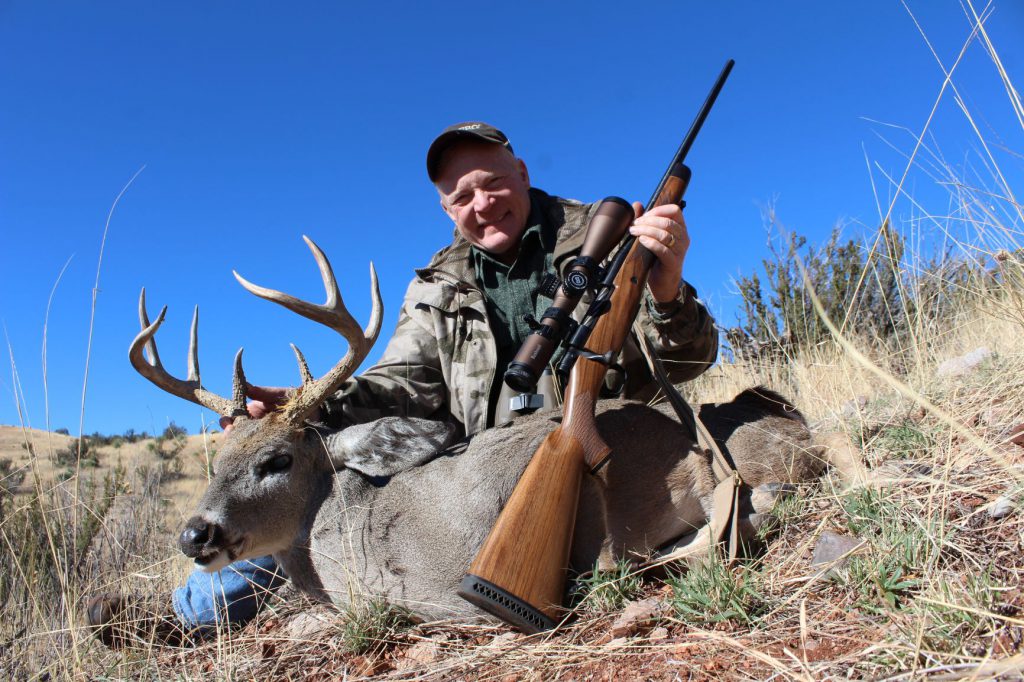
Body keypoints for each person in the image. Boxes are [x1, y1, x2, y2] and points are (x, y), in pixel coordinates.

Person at [87, 122, 718, 646]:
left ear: (522, 173)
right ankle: (185, 614)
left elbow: (691, 361)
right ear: (445, 207)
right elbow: (398, 386)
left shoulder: (609, 244)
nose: (482, 204)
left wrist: (667, 290)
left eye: (493, 183)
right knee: (298, 506)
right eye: (460, 197)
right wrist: (304, 406)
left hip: (609, 441)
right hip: (483, 466)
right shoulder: (437, 284)